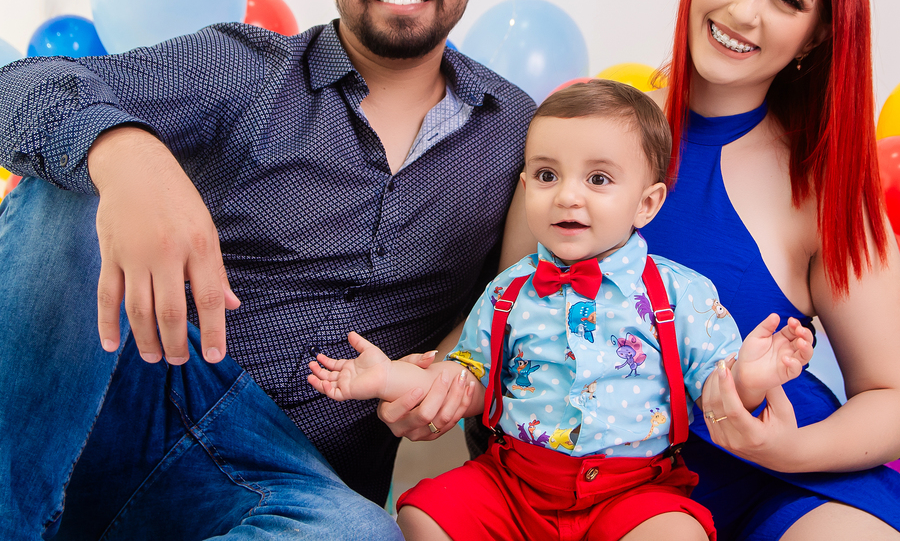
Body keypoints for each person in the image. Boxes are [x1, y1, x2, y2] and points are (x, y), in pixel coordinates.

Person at [0, 0, 537, 540]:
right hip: (132, 391)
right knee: (70, 182)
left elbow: (533, 295)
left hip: (292, 486)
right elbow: (16, 90)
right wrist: (127, 154)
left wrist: (452, 374)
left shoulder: (517, 133)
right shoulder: (243, 67)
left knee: (361, 538)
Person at [308, 80, 816, 541]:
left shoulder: (679, 293)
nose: (568, 196)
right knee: (422, 516)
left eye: (598, 179)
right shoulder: (508, 291)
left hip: (633, 491)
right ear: (526, 186)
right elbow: (465, 380)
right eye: (548, 175)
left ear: (647, 204)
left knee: (677, 535)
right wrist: (391, 379)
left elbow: (716, 395)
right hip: (514, 483)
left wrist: (751, 377)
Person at [638, 0, 900, 540]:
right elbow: (503, 309)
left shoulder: (822, 186)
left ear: (817, 35)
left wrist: (784, 450)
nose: (744, 10)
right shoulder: (591, 125)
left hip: (784, 485)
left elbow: (894, 400)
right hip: (611, 488)